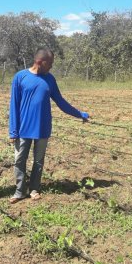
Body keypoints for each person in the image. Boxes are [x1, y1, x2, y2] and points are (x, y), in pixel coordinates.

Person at [8, 48, 89, 203]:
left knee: (38, 161)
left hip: (43, 128)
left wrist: (80, 114)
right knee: (19, 160)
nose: (51, 66)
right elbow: (14, 105)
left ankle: (34, 189)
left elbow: (60, 101)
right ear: (40, 61)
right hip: (23, 129)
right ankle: (19, 191)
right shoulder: (20, 77)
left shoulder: (50, 79)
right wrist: (13, 131)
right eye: (50, 63)